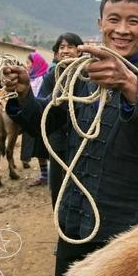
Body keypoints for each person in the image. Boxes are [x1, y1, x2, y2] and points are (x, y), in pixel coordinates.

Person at [2, 0, 138, 276]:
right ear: (100, 23)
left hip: (128, 231)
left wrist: (130, 84)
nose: (123, 30)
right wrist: (24, 96)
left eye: (133, 21)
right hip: (73, 223)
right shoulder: (78, 77)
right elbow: (45, 125)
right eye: (114, 19)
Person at [38, 32, 84, 208]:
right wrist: (55, 97)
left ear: (79, 51)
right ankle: (61, 219)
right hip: (58, 140)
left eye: (70, 47)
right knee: (58, 185)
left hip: (83, 139)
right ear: (56, 53)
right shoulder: (51, 77)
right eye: (61, 48)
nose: (65, 51)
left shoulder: (87, 74)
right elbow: (42, 105)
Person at [19, 52, 49, 184]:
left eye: (29, 63)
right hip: (32, 116)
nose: (27, 66)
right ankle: (44, 175)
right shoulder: (30, 79)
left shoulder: (44, 79)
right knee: (37, 149)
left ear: (36, 64)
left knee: (45, 147)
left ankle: (52, 175)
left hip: (43, 116)